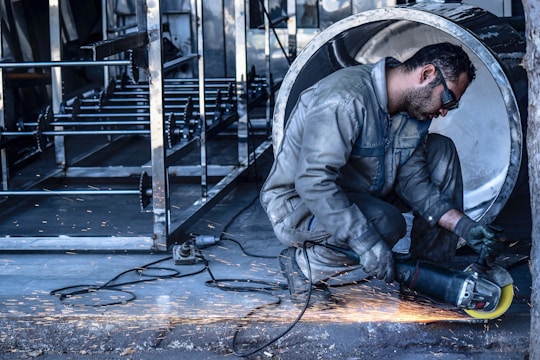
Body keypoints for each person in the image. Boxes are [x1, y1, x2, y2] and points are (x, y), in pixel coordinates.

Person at [260, 42, 504, 306]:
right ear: (427, 74)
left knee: (441, 150)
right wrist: (366, 243)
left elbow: (414, 181)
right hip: (300, 206)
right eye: (447, 100)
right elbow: (314, 182)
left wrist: (464, 226)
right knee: (386, 222)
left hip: (364, 193)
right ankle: (306, 268)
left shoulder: (414, 111)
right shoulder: (345, 99)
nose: (444, 111)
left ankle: (430, 281)